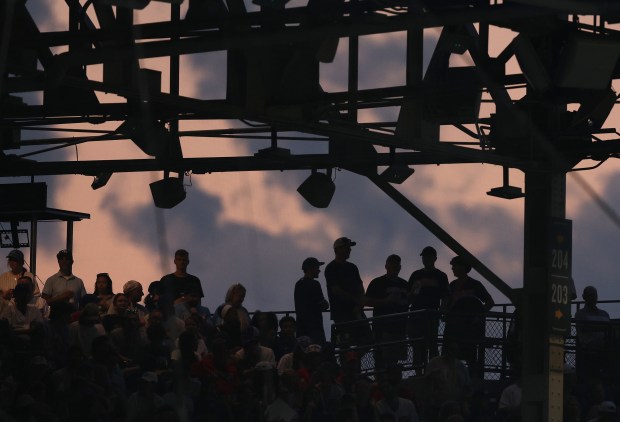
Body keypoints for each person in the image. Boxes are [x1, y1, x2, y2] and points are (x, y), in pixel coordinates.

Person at [444, 255, 494, 378]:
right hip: (454, 328)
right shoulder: (452, 285)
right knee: (452, 356)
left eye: (454, 266)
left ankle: (472, 379)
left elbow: (490, 302)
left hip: (469, 329)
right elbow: (446, 305)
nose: (452, 269)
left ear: (462, 267)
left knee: (470, 356)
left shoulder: (475, 284)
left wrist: (478, 315)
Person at [408, 246, 450, 370]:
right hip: (417, 314)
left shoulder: (441, 276)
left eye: (428, 256)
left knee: (431, 344)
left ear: (434, 258)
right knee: (418, 344)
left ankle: (432, 371)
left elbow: (445, 296)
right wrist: (414, 291)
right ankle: (418, 371)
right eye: (424, 256)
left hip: (431, 314)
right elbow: (409, 297)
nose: (425, 259)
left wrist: (441, 310)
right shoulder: (416, 274)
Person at [365, 254, 409, 369]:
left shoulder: (405, 284)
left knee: (394, 361)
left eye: (397, 264)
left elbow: (408, 301)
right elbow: (366, 301)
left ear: (400, 267)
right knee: (380, 359)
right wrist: (386, 301)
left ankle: (391, 383)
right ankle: (380, 384)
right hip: (382, 328)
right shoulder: (377, 283)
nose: (395, 266)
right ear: (386, 266)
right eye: (392, 263)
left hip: (399, 329)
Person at [324, 237, 370, 348]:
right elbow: (336, 290)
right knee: (345, 344)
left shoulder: (352, 267)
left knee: (368, 340)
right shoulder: (331, 268)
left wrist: (360, 303)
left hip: (356, 311)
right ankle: (348, 362)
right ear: (338, 250)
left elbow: (360, 287)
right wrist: (357, 301)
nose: (349, 250)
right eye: (347, 247)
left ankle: (355, 360)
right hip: (342, 314)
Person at [574, 286, 610, 382]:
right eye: (590, 295)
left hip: (603, 351)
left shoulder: (605, 314)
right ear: (584, 297)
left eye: (594, 295)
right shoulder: (580, 314)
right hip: (588, 352)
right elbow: (584, 329)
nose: (593, 298)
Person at [294, 257, 329, 345]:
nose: (319, 271)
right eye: (317, 268)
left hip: (301, 328)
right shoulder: (315, 284)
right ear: (311, 268)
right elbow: (324, 305)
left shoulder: (298, 284)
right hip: (315, 329)